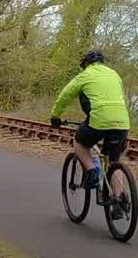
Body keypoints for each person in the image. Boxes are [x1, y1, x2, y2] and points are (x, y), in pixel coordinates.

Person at [50, 49, 131, 219]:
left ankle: (92, 171)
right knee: (114, 160)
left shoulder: (85, 75)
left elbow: (65, 95)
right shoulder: (114, 74)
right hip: (122, 121)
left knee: (80, 143)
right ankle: (119, 200)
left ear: (86, 63)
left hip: (99, 119)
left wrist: (55, 116)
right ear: (102, 61)